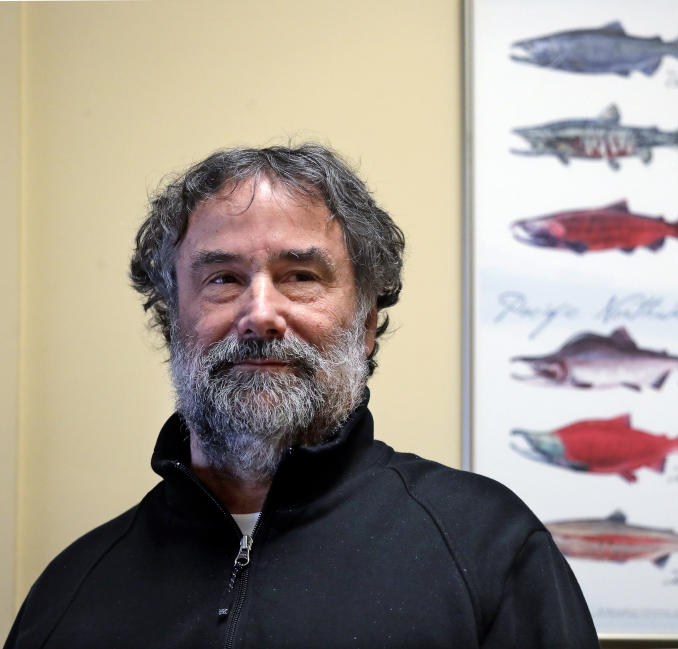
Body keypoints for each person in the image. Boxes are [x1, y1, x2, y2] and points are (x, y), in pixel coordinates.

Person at [4, 143, 599, 648]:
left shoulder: (489, 548)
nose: (260, 314)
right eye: (223, 279)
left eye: (301, 277)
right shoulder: (75, 586)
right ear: (171, 320)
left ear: (365, 324)